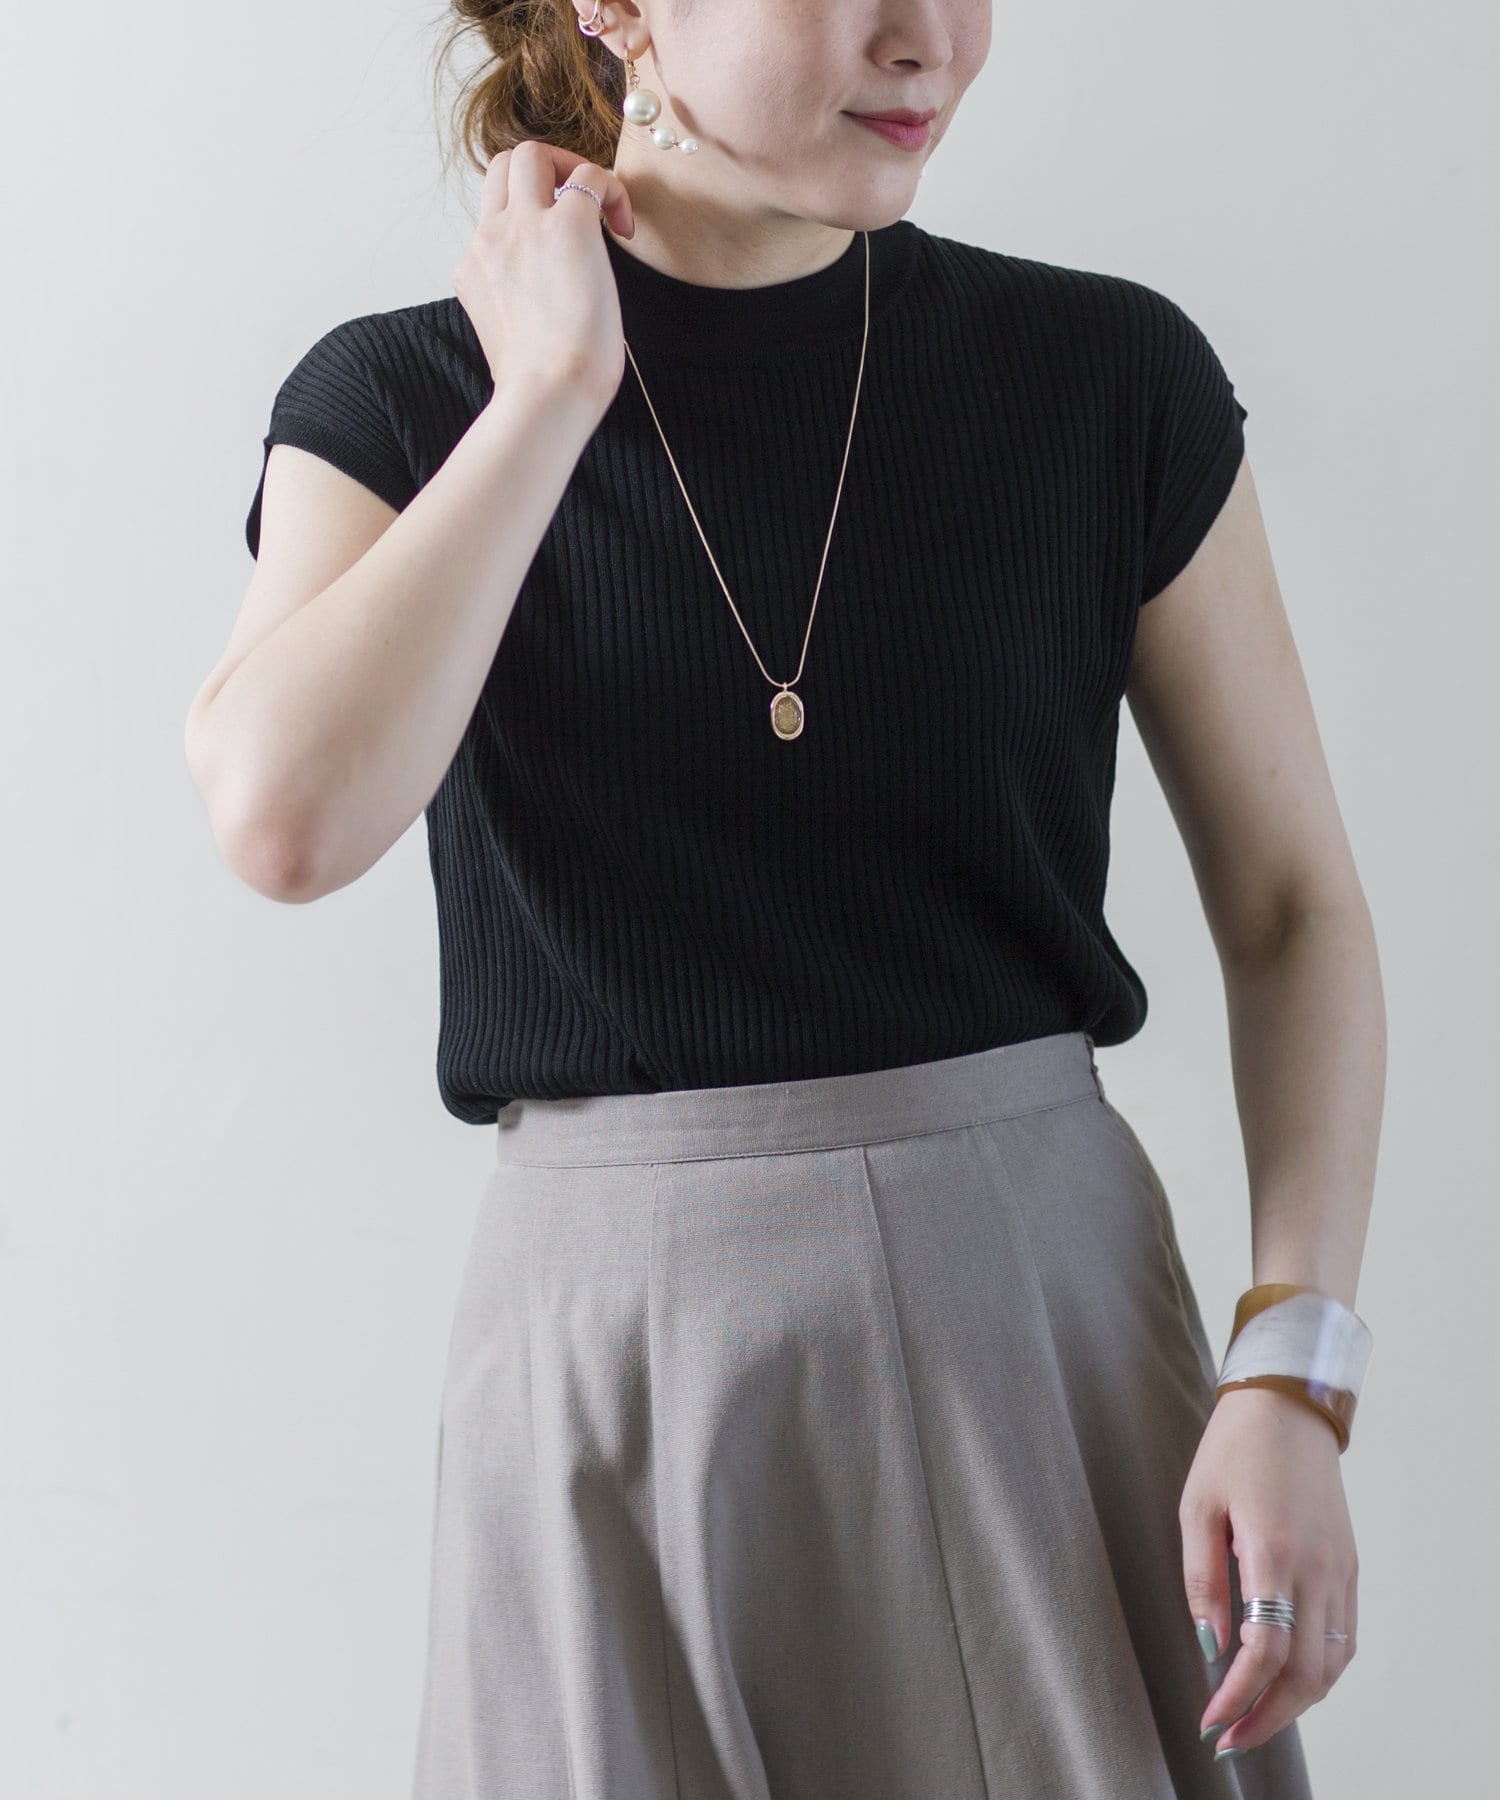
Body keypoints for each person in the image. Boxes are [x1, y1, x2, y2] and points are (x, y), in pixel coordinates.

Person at [185, 2, 1384, 1795]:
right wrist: (547, 396)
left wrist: (1293, 1374)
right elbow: (284, 821)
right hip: (611, 1369)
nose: (926, 41)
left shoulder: (1102, 375)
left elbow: (1293, 909)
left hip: (1041, 1327)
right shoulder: (406, 401)